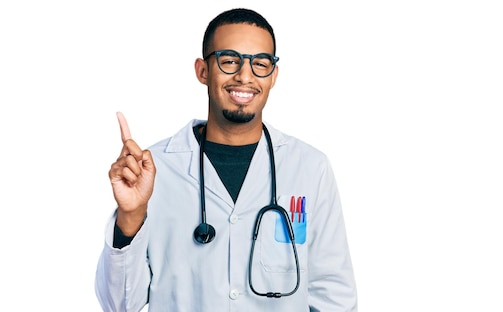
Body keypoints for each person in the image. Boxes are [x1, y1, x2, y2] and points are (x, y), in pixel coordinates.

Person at [94, 7, 358, 312]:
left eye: (260, 63)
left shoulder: (310, 168)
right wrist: (131, 215)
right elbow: (119, 304)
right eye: (230, 61)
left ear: (273, 75)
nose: (245, 76)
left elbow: (334, 298)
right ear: (203, 71)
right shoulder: (154, 170)